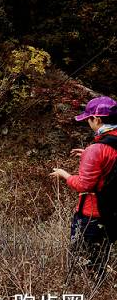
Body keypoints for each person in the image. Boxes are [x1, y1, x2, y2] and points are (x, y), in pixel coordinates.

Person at [50, 96, 117, 281]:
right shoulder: (108, 144)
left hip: (92, 214)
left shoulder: (96, 149)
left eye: (89, 119)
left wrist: (65, 175)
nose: (88, 122)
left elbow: (84, 185)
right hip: (112, 212)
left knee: (83, 260)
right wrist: (87, 155)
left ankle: (85, 294)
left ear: (97, 119)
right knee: (102, 257)